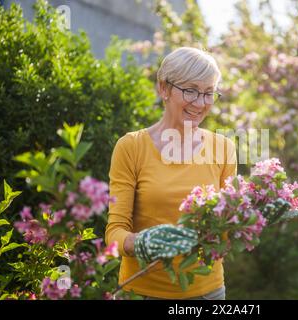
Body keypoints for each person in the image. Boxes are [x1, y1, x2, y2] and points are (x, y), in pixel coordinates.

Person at [105, 47, 237, 300]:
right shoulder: (131, 147)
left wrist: (254, 212)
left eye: (208, 93)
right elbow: (115, 233)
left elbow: (224, 234)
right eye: (190, 90)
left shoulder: (224, 148)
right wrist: (141, 243)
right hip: (142, 292)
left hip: (208, 293)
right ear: (164, 88)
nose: (200, 103)